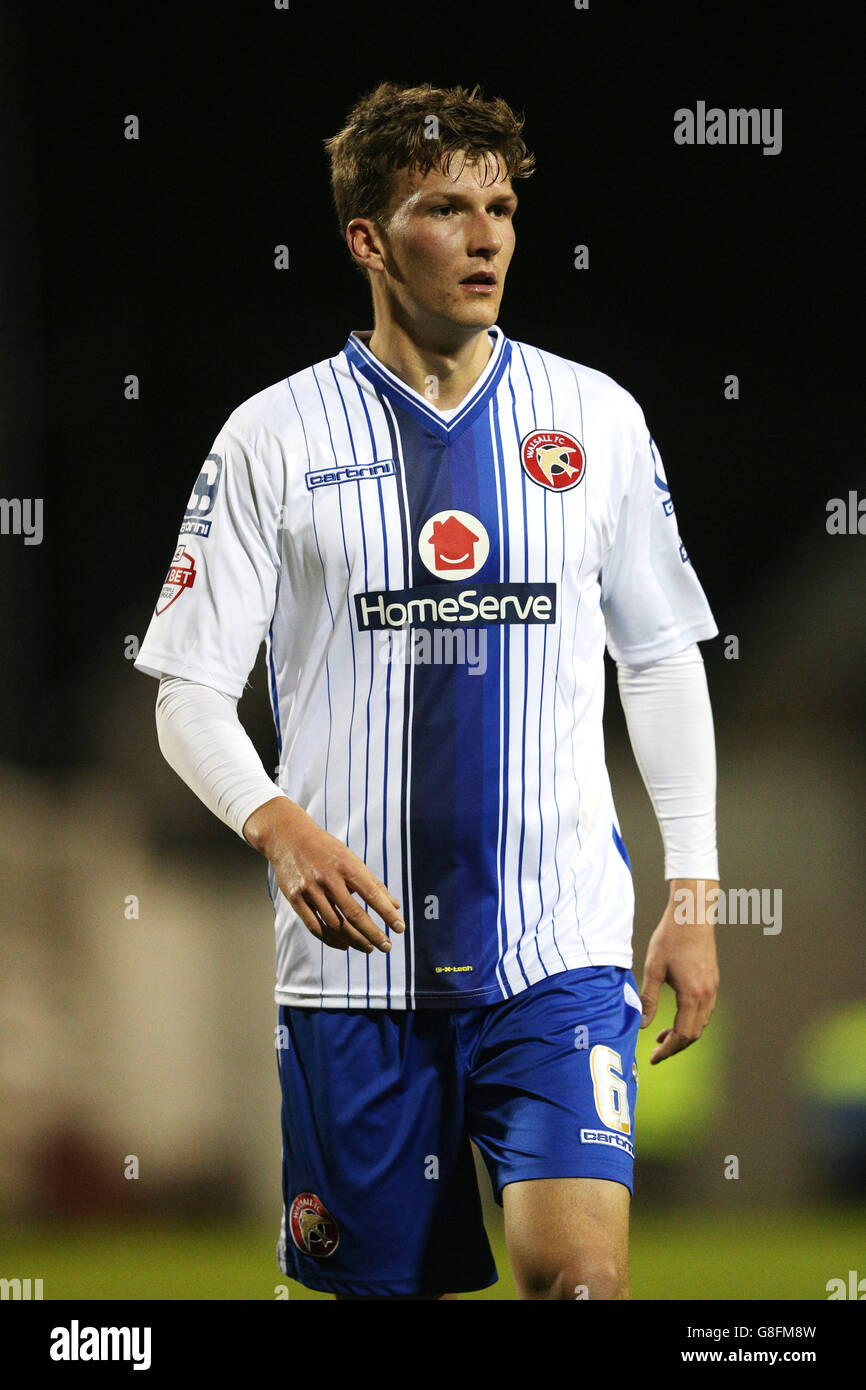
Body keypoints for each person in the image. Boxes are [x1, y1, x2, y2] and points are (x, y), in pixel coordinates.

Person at [134, 81, 720, 1301]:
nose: (488, 235)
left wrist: (694, 888)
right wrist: (275, 822)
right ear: (366, 239)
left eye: (499, 206)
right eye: (446, 207)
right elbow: (187, 688)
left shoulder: (594, 419)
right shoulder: (270, 439)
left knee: (580, 1284)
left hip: (553, 953)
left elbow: (658, 657)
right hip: (354, 977)